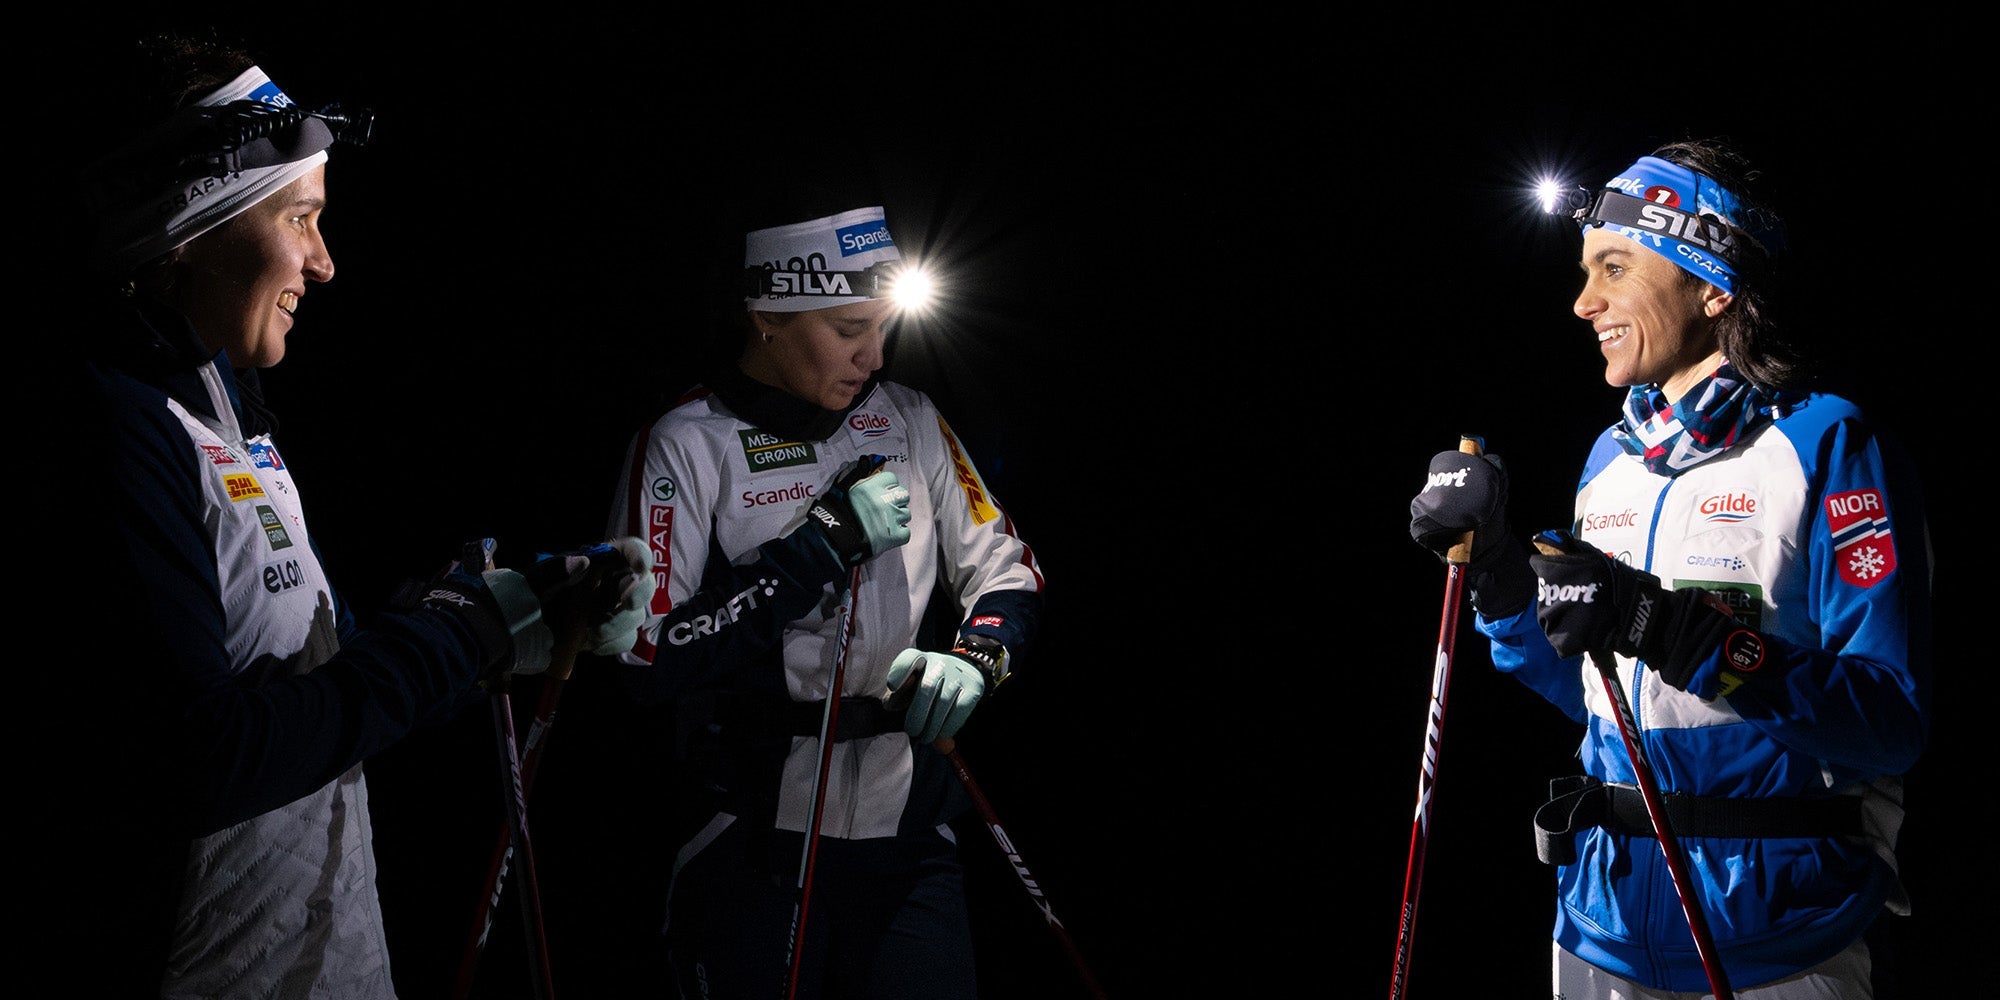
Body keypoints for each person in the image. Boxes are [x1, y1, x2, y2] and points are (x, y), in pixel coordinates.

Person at [34, 33, 653, 998]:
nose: (324, 263)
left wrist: (511, 621)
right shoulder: (116, 430)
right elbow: (204, 754)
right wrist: (461, 633)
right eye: (302, 217)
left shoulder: (232, 416)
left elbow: (322, 677)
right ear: (191, 226)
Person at [1407, 139, 1931, 998]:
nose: (1583, 303)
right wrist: (1500, 574)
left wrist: (1666, 624)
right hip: (1598, 931)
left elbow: (1887, 722)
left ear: (1712, 283)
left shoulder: (1827, 442)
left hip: (1777, 941)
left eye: (1614, 267)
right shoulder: (1610, 458)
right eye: (1584, 272)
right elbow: (1595, 689)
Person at [595, 180, 1046, 998]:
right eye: (848, 331)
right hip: (751, 830)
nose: (873, 357)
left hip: (909, 826)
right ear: (767, 319)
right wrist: (818, 548)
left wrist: (977, 658)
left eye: (882, 330)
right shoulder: (686, 444)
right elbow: (643, 652)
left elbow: (1007, 565)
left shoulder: (907, 416)